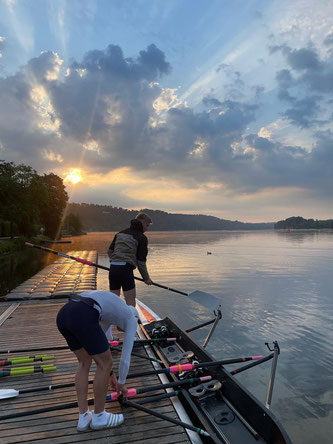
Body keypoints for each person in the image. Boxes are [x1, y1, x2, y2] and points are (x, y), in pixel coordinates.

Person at [56, 290, 139, 432]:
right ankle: (99, 416)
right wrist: (121, 383)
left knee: (84, 362)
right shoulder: (131, 318)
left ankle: (83, 417)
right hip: (83, 313)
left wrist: (110, 375)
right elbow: (125, 357)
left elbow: (100, 347)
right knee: (105, 364)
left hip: (64, 314)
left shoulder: (110, 313)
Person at [108, 212, 153, 307]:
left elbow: (110, 251)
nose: (147, 229)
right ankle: (132, 320)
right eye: (147, 225)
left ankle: (114, 320)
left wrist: (117, 260)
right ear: (141, 223)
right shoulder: (142, 238)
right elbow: (141, 262)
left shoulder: (120, 234)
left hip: (113, 269)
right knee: (130, 302)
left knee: (114, 301)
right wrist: (146, 278)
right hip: (125, 271)